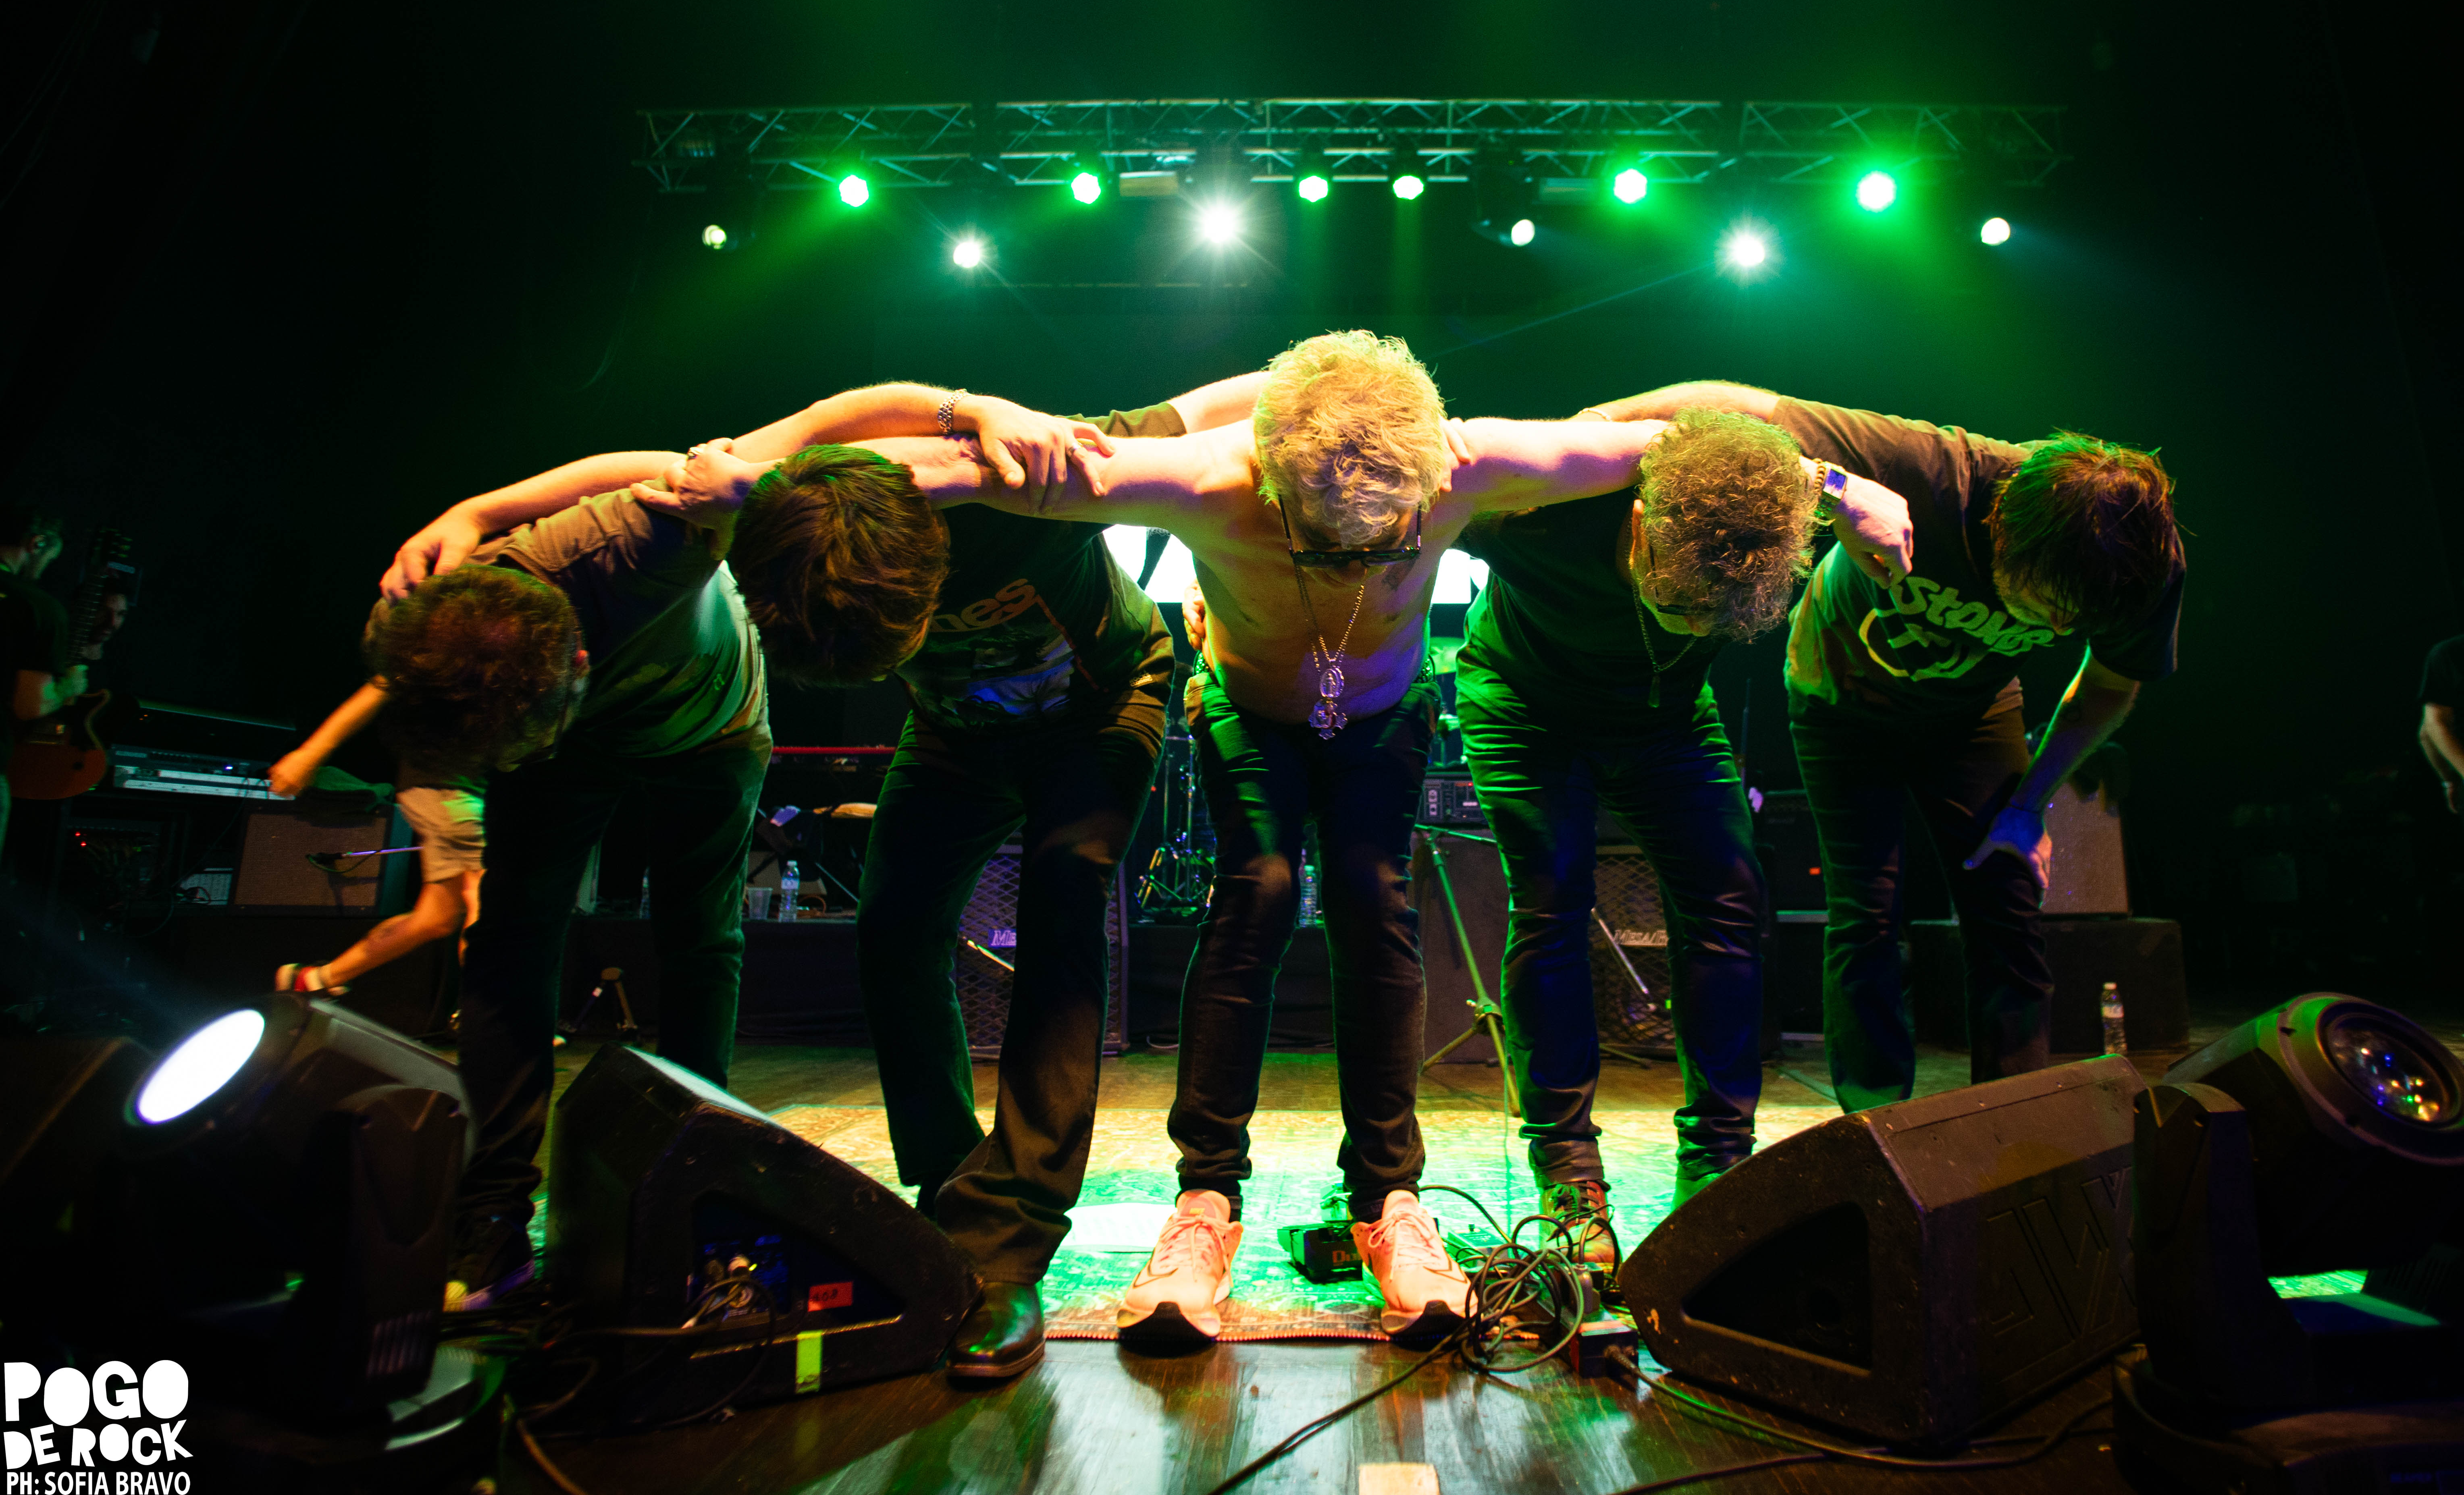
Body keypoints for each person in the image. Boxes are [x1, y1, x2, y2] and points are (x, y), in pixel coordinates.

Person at [667, 333, 1912, 1349]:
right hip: (1255, 715)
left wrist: (1848, 490)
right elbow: (1010, 471)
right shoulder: (1201, 477)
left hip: (1375, 724)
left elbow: (1674, 441)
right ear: (1269, 479)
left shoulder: (1469, 465)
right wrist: (801, 463)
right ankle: (1204, 1196)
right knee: (1254, 891)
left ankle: (1392, 1200)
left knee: (1376, 901)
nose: (1363, 554)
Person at [450, 379, 1261, 1379]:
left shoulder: (1036, 471)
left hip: (1099, 708)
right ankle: (948, 1184)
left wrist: (1312, 381)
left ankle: (1006, 1244)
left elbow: (1199, 410)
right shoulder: (784, 501)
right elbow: (657, 473)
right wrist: (474, 515)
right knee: (892, 927)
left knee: (1064, 895)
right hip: (956, 736)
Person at [1592, 382, 2183, 1112]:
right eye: (2042, 605)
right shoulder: (1931, 469)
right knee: (1866, 918)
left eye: (2070, 620)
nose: (2056, 629)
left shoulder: (2138, 570)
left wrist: (2029, 807)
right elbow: (1731, 404)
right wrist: (1578, 432)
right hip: (1839, 699)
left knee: (2007, 906)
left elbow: (2105, 689)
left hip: (1973, 714)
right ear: (2001, 528)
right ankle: (1875, 1129)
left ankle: (2017, 1127)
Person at [1453, 400, 1910, 1254]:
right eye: (1670, 603)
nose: (1685, 625)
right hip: (1525, 706)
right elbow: (1422, 481)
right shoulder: (1540, 510)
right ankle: (1568, 1178)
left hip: (1665, 720)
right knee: (1551, 901)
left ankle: (1717, 1166)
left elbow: (1774, 446)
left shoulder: (1761, 513)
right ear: (1639, 522)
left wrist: (1843, 488)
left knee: (1729, 900)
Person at [265, 681, 486, 998]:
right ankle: (500, 1021)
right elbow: (381, 685)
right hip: (444, 785)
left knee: (435, 918)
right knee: (487, 894)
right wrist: (308, 754)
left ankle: (316, 978)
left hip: (466, 786)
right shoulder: (451, 636)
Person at [1, 507, 83, 855]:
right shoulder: (37, 607)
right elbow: (30, 704)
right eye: (50, 557)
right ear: (37, 543)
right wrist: (70, 687)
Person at [2419, 637, 2464, 815]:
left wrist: (2450, 780)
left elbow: (2428, 731)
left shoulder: (2448, 654)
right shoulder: (2449, 654)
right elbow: (2431, 728)